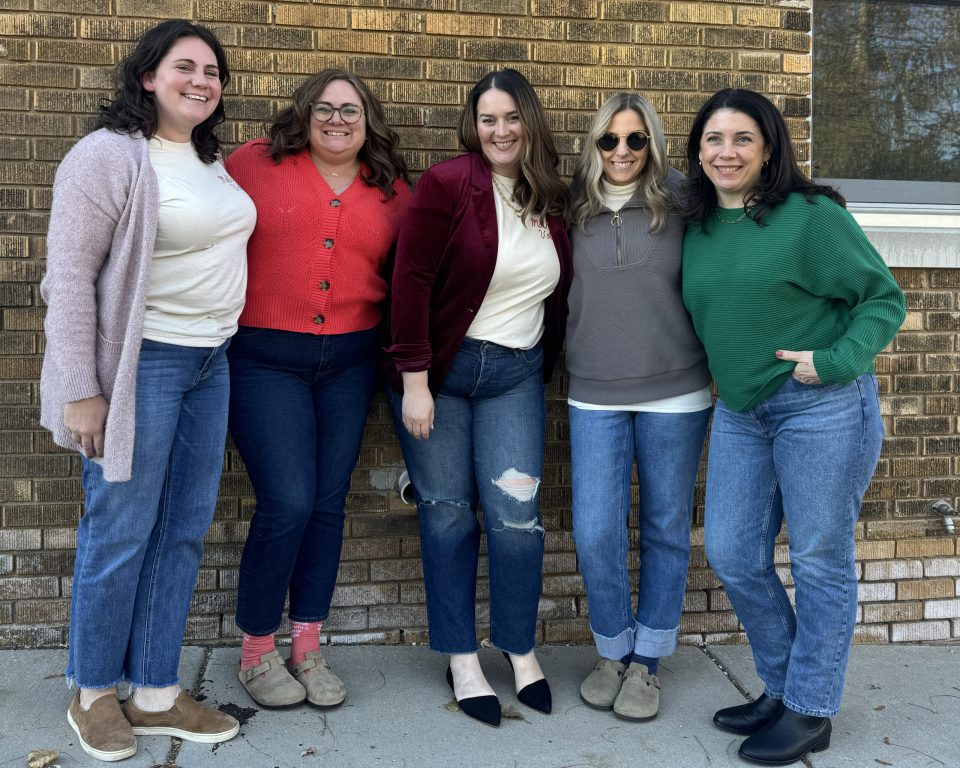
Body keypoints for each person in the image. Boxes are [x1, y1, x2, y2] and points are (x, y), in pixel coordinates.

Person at [39, 19, 255, 763]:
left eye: (213, 71)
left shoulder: (208, 158)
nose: (202, 81)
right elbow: (67, 278)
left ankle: (155, 692)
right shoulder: (106, 157)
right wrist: (81, 390)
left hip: (210, 363)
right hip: (142, 367)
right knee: (121, 527)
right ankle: (94, 692)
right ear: (147, 77)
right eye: (185, 67)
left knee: (184, 529)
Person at [681, 88, 905, 765]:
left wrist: (832, 361)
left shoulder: (811, 218)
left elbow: (882, 300)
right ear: (698, 150)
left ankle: (809, 708)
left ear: (769, 148)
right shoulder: (698, 224)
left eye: (742, 138)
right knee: (732, 551)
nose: (726, 151)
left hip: (820, 406)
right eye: (714, 138)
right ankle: (780, 686)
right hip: (743, 411)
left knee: (818, 559)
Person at [386, 68, 571, 727]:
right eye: (488, 119)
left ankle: (519, 649)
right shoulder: (447, 185)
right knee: (447, 515)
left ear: (530, 122)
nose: (500, 131)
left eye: (511, 118)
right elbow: (408, 281)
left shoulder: (549, 197)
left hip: (515, 376)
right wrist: (413, 381)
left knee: (516, 520)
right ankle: (462, 659)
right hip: (440, 372)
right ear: (474, 124)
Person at [224, 70, 411, 709]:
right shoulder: (253, 164)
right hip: (264, 360)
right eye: (325, 108)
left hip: (350, 364)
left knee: (328, 504)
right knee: (289, 501)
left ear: (369, 120)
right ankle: (255, 651)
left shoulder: (391, 190)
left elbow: (417, 275)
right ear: (304, 114)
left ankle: (307, 645)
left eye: (351, 109)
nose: (337, 119)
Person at [565, 93, 712, 722]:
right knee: (596, 529)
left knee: (664, 529)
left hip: (678, 390)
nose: (621, 152)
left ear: (652, 143)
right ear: (594, 145)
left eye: (635, 140)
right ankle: (611, 650)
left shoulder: (686, 202)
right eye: (609, 140)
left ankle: (647, 662)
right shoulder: (567, 205)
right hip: (592, 388)